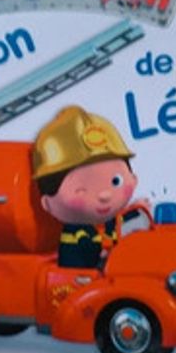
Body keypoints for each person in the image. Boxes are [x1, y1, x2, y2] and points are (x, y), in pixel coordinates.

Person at [33, 105, 138, 269]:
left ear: (133, 178)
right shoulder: (76, 231)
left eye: (116, 181)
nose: (104, 195)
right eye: (82, 190)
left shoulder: (112, 221)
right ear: (47, 202)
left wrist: (137, 209)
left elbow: (123, 219)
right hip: (81, 277)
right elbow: (86, 252)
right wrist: (105, 255)